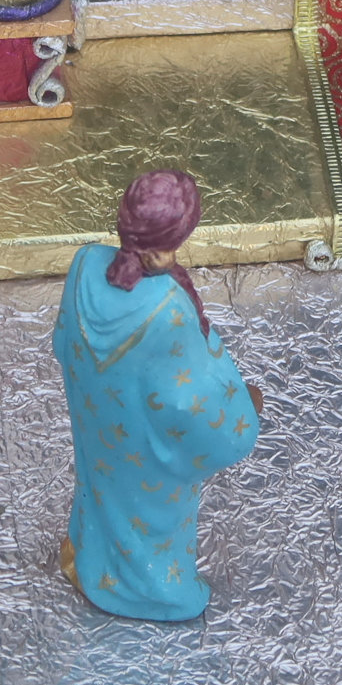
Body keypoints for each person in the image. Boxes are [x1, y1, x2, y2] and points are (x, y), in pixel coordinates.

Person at [55, 169, 261, 621]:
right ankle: (155, 592)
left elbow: (63, 341)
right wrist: (239, 413)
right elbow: (188, 402)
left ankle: (87, 559)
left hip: (99, 426)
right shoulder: (167, 310)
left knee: (102, 493)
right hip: (150, 447)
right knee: (152, 517)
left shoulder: (85, 264)